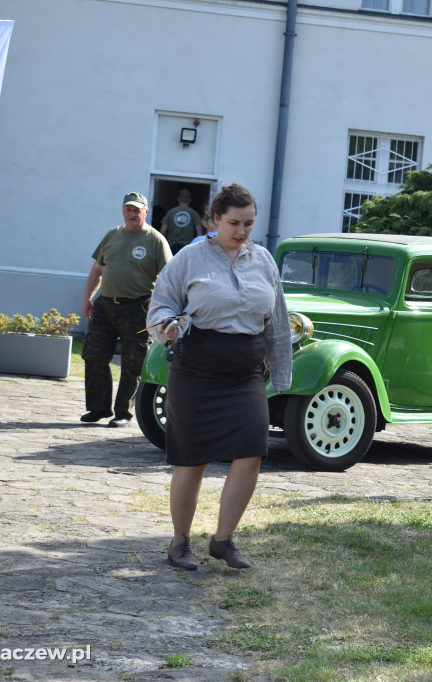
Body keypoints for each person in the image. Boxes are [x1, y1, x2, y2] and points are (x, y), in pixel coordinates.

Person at [147, 183, 292, 571]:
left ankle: (223, 540)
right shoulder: (189, 258)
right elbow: (161, 304)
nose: (242, 231)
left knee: (251, 452)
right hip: (196, 370)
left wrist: (282, 374)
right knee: (192, 460)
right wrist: (166, 326)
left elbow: (277, 320)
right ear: (213, 219)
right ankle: (179, 543)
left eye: (248, 223)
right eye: (233, 223)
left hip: (245, 373)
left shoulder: (263, 260)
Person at [80, 192, 172, 427]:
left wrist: (165, 309)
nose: (132, 214)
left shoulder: (155, 240)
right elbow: (97, 269)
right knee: (94, 356)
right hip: (105, 305)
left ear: (145, 212)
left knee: (133, 363)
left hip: (139, 308)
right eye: (128, 209)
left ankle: (123, 412)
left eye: (137, 210)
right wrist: (88, 298)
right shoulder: (112, 235)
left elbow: (170, 277)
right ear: (123, 211)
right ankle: (98, 408)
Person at [160, 189, 203, 254]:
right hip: (187, 247)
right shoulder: (194, 213)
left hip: (171, 246)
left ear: (178, 199)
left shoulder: (170, 212)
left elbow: (163, 231)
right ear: (190, 200)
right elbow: (199, 233)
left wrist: (162, 247)